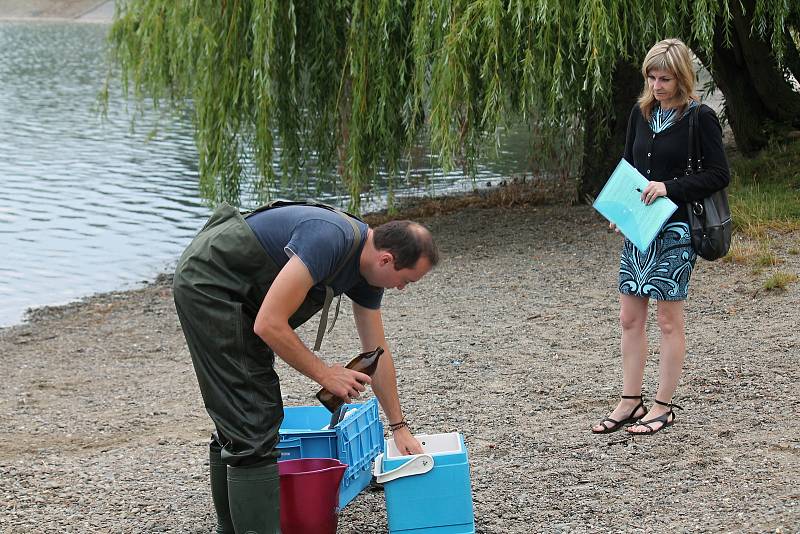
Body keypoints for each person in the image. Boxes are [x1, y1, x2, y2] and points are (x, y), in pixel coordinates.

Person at [172, 200, 439, 533]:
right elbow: (269, 324)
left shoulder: (367, 268)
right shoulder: (329, 239)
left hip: (244, 300)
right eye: (406, 281)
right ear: (387, 259)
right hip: (210, 287)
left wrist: (399, 426)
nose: (400, 288)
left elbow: (377, 353)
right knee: (253, 421)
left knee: (244, 417)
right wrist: (325, 373)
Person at [591, 38, 729, 436]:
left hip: (677, 229)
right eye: (651, 77)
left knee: (669, 321)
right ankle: (630, 400)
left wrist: (669, 187)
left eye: (665, 78)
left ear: (682, 77)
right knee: (629, 317)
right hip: (638, 229)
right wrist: (621, 211)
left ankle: (663, 405)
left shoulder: (700, 118)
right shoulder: (640, 113)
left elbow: (720, 175)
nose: (656, 85)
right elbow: (631, 168)